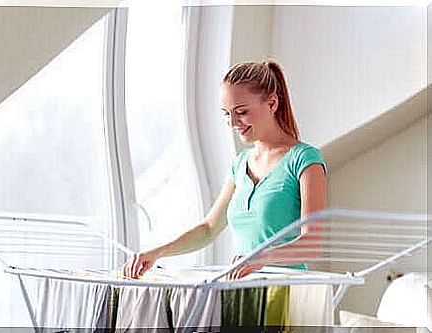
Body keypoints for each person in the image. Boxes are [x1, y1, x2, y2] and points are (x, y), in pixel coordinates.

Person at [122, 59, 327, 280]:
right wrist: (157, 253)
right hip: (241, 292)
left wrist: (258, 258)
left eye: (241, 111)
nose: (232, 122)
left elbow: (311, 245)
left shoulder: (305, 159)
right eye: (226, 113)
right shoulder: (240, 165)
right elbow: (209, 228)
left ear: (272, 103)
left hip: (286, 293)